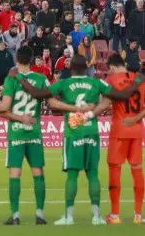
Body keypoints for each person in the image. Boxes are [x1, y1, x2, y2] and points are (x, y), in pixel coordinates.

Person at [20, 54, 127, 225]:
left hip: (73, 133)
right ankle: (97, 216)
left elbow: (37, 93)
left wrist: (21, 79)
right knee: (92, 174)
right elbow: (119, 96)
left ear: (70, 68)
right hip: (91, 131)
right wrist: (135, 83)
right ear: (87, 67)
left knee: (72, 175)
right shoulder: (96, 82)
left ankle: (69, 217)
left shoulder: (64, 83)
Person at [0, 47, 49, 224]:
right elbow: (51, 99)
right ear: (31, 60)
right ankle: (40, 214)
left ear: (17, 61)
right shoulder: (41, 78)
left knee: (15, 173)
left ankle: (15, 215)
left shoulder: (11, 79)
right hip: (34, 132)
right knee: (38, 172)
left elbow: (4, 107)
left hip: (16, 132)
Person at [105, 54, 145, 224]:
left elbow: (105, 103)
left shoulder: (111, 79)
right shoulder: (139, 79)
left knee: (115, 169)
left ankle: (115, 215)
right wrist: (136, 119)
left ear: (112, 67)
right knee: (137, 169)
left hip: (119, 129)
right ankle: (138, 215)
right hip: (136, 130)